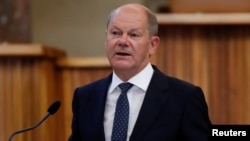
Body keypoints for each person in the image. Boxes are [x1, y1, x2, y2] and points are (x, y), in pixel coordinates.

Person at [68, 3, 211, 141]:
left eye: (133, 35)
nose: (123, 41)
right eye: (116, 33)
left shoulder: (184, 98)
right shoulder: (85, 97)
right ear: (106, 39)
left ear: (152, 45)